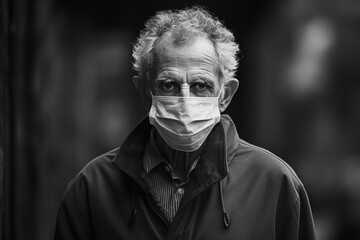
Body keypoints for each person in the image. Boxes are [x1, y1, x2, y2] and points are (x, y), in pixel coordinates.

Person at [54, 6, 316, 240]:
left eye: (201, 86)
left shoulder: (273, 183)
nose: (185, 100)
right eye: (169, 85)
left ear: (225, 95)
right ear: (145, 92)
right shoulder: (92, 189)